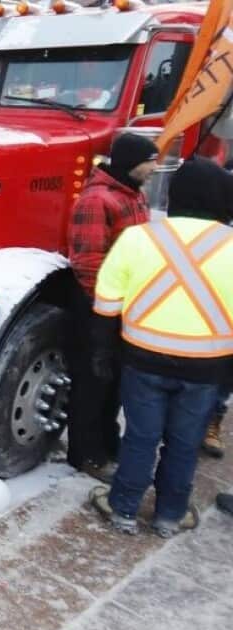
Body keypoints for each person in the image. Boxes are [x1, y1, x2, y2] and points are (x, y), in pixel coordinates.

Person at [88, 158, 233, 538]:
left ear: (173, 195)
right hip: (206, 369)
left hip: (143, 362)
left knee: (140, 437)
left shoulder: (138, 237)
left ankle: (122, 508)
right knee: (184, 443)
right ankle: (170, 514)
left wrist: (103, 350)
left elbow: (106, 300)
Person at [64, 133, 157, 482]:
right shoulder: (97, 200)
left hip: (121, 305)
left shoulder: (134, 195)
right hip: (98, 307)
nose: (154, 167)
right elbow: (87, 263)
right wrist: (105, 310)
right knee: (91, 383)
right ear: (132, 161)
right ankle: (84, 454)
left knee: (113, 381)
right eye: (150, 160)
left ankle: (106, 443)